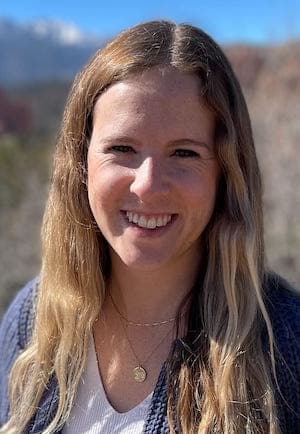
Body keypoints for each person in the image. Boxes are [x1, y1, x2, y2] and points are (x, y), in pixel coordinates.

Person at [0, 20, 300, 434]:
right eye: (122, 148)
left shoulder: (286, 342)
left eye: (184, 152)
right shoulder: (31, 321)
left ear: (226, 171)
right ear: (81, 164)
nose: (148, 185)